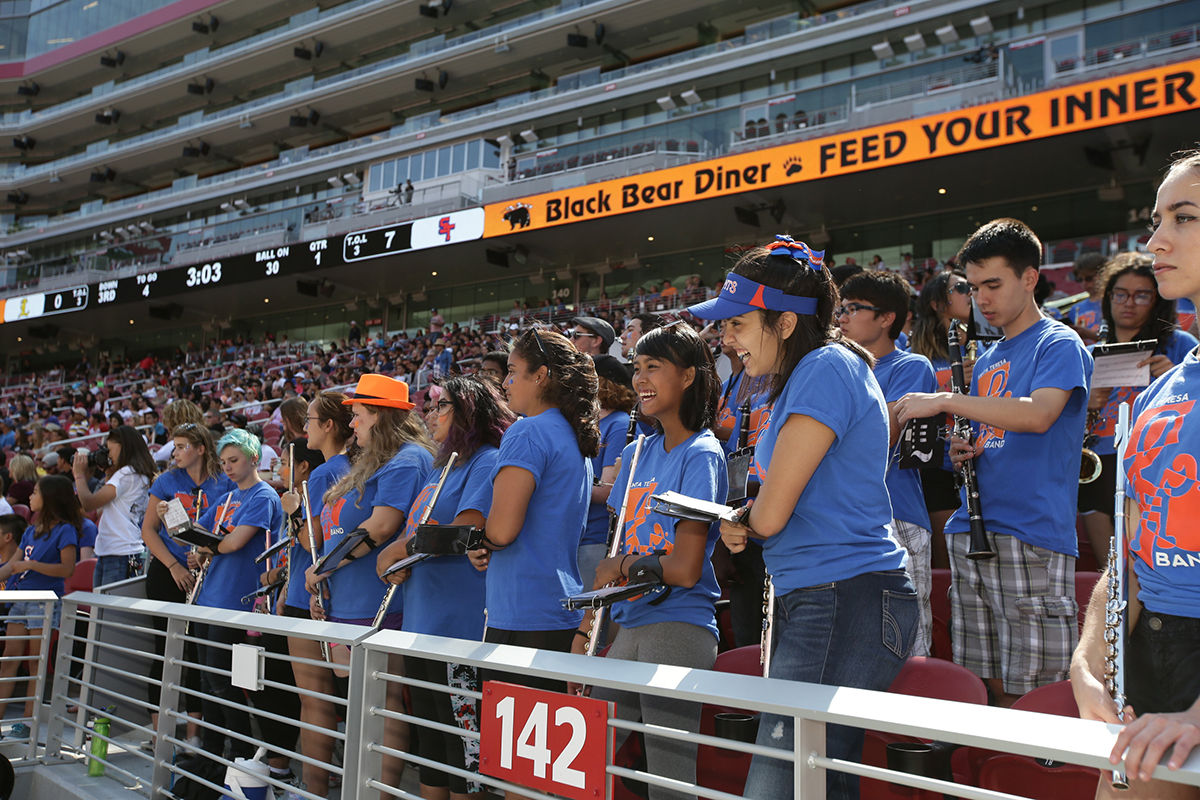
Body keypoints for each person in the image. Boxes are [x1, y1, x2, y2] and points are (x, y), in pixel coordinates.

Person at [689, 235, 917, 800]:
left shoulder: (823, 368)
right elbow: (776, 506)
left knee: (785, 783)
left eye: (737, 324)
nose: (726, 339)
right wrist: (749, 516)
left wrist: (748, 518)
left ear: (785, 324)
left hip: (843, 594)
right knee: (816, 781)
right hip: (829, 593)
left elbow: (771, 514)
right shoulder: (817, 370)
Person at [896, 218, 1093, 708]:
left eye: (993, 285)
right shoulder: (986, 359)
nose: (982, 299)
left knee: (1037, 691)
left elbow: (1040, 414)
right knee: (981, 683)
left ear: (1029, 279)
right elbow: (991, 429)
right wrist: (960, 447)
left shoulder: (1058, 342)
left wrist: (947, 400)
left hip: (1030, 531)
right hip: (972, 528)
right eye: (973, 287)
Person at [1071, 149, 1200, 800]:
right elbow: (1130, 542)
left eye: (1183, 217)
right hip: (1151, 656)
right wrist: (1088, 658)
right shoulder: (1161, 391)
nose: (1155, 241)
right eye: (1156, 220)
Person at [572, 323, 728, 800]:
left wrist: (620, 567)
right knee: (587, 762)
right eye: (637, 368)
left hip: (679, 625)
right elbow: (617, 550)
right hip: (630, 622)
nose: (640, 378)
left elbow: (684, 568)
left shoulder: (702, 453)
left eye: (653, 367)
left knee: (669, 781)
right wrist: (585, 629)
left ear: (687, 376)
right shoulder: (637, 452)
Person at [377, 376, 516, 800]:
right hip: (421, 624)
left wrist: (396, 549)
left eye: (442, 406)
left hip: (458, 631)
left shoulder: (487, 460)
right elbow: (414, 537)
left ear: (469, 414)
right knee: (434, 746)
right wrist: (394, 558)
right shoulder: (442, 467)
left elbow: (470, 526)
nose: (430, 414)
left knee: (464, 755)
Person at [306, 374, 435, 792]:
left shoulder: (407, 458)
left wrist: (324, 566)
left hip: (380, 604)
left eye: (358, 414)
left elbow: (380, 528)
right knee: (362, 707)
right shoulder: (370, 460)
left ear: (380, 415)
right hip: (346, 604)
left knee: (382, 705)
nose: (353, 423)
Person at [468, 328, 598, 692]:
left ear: (540, 375)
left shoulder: (527, 431)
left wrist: (480, 542)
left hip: (522, 614)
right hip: (557, 609)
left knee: (509, 746)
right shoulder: (571, 434)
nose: (505, 382)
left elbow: (502, 531)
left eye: (512, 371)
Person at [838, 271, 938, 656]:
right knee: (861, 643)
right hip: (848, 517)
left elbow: (884, 434)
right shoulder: (840, 369)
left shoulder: (911, 366)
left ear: (886, 318)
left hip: (897, 511)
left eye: (853, 309)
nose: (841, 318)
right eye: (840, 309)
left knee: (907, 642)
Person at [1078, 253, 1197, 561]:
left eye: (1141, 295)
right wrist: (1085, 402)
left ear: (1156, 300)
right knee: (1112, 569)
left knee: (1147, 561)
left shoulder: (1181, 345)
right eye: (1121, 294)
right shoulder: (1086, 353)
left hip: (1157, 464)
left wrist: (1176, 376)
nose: (1129, 303)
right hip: (1098, 465)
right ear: (1108, 298)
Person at [184, 429, 284, 761]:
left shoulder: (263, 496)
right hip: (210, 596)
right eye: (224, 461)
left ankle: (241, 749)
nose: (227, 467)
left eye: (234, 460)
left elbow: (232, 543)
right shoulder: (226, 498)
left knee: (222, 680)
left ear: (254, 458)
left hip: (238, 599)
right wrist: (202, 547)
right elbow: (200, 536)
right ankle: (215, 750)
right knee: (207, 679)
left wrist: (205, 547)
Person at [139, 422, 232, 749]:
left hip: (208, 572)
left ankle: (194, 734)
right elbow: (149, 531)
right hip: (168, 571)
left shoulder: (222, 482)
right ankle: (158, 735)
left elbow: (227, 530)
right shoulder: (166, 481)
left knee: (197, 652)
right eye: (174, 446)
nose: (174, 452)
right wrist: (175, 565)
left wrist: (204, 557)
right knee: (165, 649)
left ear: (201, 449)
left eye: (181, 446)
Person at [283, 392, 353, 800]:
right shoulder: (348, 467)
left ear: (329, 426)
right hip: (323, 595)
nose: (304, 426)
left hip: (311, 595)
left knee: (314, 702)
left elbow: (312, 541)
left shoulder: (327, 472)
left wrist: (294, 510)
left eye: (309, 419)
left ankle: (312, 790)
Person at [0, 476, 79, 740]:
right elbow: (12, 565)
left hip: (44, 601)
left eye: (35, 492)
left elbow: (67, 569)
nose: (30, 497)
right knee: (10, 660)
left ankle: (28, 723)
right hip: (21, 600)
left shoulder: (66, 530)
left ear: (50, 497)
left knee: (35, 664)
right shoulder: (32, 528)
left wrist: (31, 566)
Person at [907, 270, 973, 567]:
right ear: (937, 303)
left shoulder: (983, 344)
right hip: (937, 466)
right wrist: (950, 386)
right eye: (961, 287)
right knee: (947, 564)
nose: (970, 292)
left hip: (979, 459)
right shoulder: (916, 354)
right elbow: (907, 403)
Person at [579, 356, 636, 619]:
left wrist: (558, 489)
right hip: (579, 536)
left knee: (589, 623)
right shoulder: (589, 424)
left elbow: (608, 490)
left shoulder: (619, 423)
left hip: (597, 538)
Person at [73, 425, 155, 588]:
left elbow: (89, 504)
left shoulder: (126, 474)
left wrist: (79, 475)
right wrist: (109, 471)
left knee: (106, 610)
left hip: (119, 551)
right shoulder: (136, 473)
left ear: (125, 447)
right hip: (120, 549)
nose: (108, 454)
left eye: (110, 450)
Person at [1067, 252, 1107, 343]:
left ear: (1103, 274)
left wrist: (1092, 335)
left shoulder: (1113, 303)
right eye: (1080, 280)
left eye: (1089, 278)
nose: (1084, 283)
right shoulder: (1075, 309)